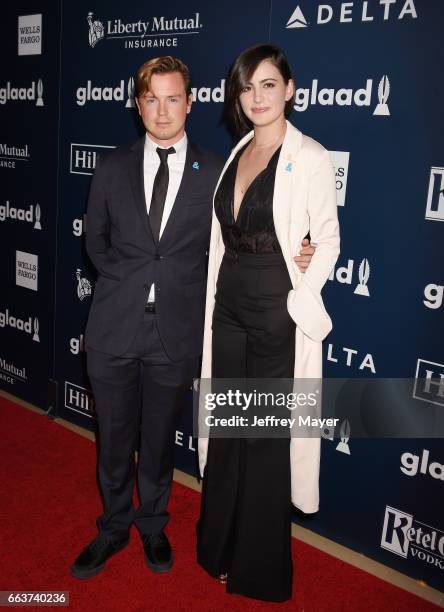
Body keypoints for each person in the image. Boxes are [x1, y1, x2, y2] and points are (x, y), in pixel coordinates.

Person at [71, 55, 315, 580]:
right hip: (114, 328)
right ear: (138, 107)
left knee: (158, 442)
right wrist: (132, 286)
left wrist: (306, 250)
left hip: (176, 332)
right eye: (151, 100)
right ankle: (113, 527)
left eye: (173, 98)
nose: (163, 111)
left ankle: (153, 525)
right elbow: (96, 243)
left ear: (190, 102)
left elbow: (256, 225)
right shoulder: (111, 167)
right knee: (113, 442)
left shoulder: (217, 170)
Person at [197, 44, 340, 602]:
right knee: (228, 429)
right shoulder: (238, 152)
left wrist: (302, 285)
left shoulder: (312, 156)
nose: (256, 97)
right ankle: (219, 547)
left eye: (267, 85)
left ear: (290, 89)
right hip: (227, 304)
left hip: (275, 312)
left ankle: (258, 569)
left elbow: (325, 239)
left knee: (263, 438)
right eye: (246, 87)